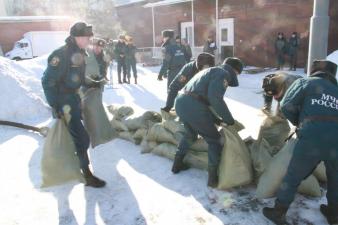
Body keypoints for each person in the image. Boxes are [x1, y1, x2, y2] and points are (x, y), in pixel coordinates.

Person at [263, 60, 338, 225]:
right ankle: (334, 213)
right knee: (335, 177)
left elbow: (286, 105)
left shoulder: (306, 82)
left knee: (293, 175)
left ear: (314, 71)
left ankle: (278, 212)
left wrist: (300, 123)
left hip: (311, 136)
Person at [41, 22, 106, 188]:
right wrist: (55, 105)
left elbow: (78, 78)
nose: (88, 40)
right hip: (63, 102)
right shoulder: (60, 55)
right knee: (82, 138)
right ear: (76, 37)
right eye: (85, 37)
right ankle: (86, 174)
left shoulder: (80, 53)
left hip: (73, 100)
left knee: (73, 138)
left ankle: (72, 166)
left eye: (88, 37)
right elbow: (47, 81)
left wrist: (92, 83)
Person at [171, 57, 244, 188]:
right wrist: (229, 120)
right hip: (193, 105)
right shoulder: (223, 74)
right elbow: (215, 99)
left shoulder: (211, 70)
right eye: (238, 73)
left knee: (190, 135)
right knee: (214, 140)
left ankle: (177, 163)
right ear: (235, 70)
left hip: (181, 102)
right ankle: (212, 178)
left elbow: (203, 98)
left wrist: (216, 119)